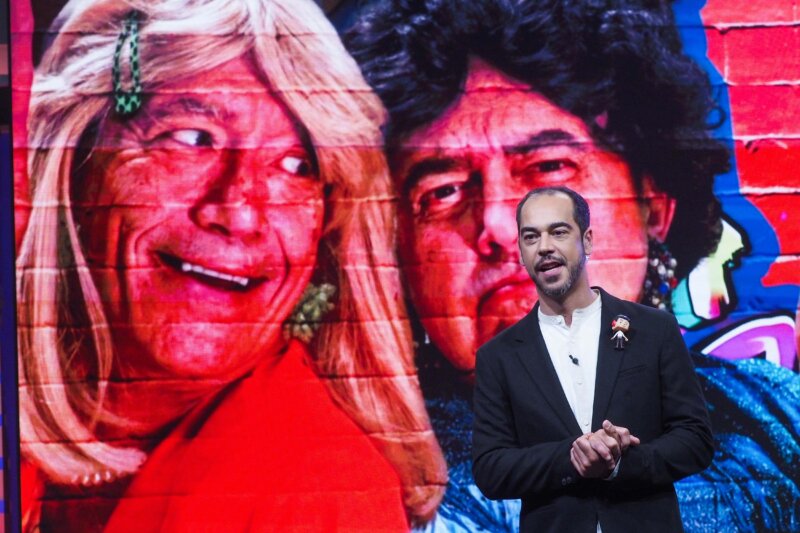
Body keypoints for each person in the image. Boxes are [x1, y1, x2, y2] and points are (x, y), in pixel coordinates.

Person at [346, 0, 800, 531]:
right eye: (442, 191)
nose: (499, 224)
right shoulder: (401, 488)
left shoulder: (768, 406)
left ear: (653, 204)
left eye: (548, 167)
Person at [15, 0, 446, 530]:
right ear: (74, 156)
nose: (239, 211)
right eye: (193, 138)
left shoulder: (319, 492)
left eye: (297, 166)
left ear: (326, 231)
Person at [472, 186, 714, 532]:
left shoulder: (653, 329)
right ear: (522, 252)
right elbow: (491, 469)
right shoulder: (499, 356)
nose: (544, 247)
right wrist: (571, 458)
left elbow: (695, 439)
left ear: (586, 241)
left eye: (558, 232)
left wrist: (621, 463)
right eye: (531, 237)